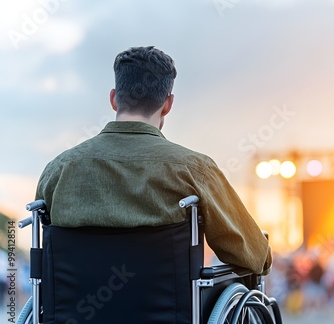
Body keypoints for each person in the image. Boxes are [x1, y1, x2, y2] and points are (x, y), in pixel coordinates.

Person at [35, 46, 272, 276]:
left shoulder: (59, 170)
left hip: (73, 315)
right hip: (169, 314)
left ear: (114, 99)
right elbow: (255, 257)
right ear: (168, 104)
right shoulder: (194, 170)